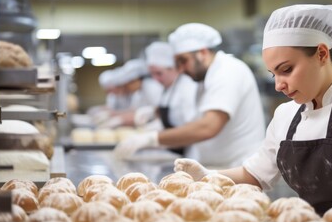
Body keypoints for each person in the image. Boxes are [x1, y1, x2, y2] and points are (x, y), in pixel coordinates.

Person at [174, 4, 332, 222]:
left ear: (322, 53)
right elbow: (256, 174)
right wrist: (208, 175)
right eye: (273, 74)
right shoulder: (286, 114)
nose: (279, 85)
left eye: (286, 70)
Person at [114, 23, 266, 167]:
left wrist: (153, 138)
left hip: (238, 168)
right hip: (216, 168)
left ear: (203, 53)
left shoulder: (228, 71)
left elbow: (208, 126)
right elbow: (193, 122)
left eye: (183, 61)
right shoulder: (204, 79)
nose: (180, 69)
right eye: (177, 63)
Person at [131, 41, 199, 154]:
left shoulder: (187, 87)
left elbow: (193, 128)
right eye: (152, 74)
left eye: (159, 73)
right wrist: (154, 111)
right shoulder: (169, 88)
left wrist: (153, 137)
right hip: (173, 149)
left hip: (190, 151)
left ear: (174, 68)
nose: (156, 79)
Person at [93, 58, 163, 128]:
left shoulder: (152, 87)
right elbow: (134, 111)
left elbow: (160, 111)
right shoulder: (138, 93)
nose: (128, 88)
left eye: (128, 84)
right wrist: (115, 116)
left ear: (136, 80)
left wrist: (119, 119)